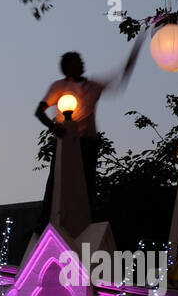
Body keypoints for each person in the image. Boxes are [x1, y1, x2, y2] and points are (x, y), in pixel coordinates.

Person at [33, 41, 142, 231]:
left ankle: (86, 222)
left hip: (88, 142)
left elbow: (121, 76)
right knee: (56, 181)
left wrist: (136, 49)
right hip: (65, 142)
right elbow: (39, 111)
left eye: (81, 60)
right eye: (77, 61)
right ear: (68, 67)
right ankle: (43, 222)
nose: (82, 64)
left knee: (88, 183)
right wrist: (54, 127)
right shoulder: (59, 87)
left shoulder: (93, 86)